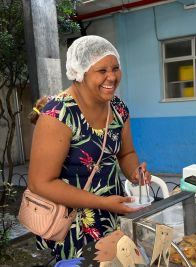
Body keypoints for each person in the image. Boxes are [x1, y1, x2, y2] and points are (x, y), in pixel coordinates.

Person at [28, 35, 151, 261]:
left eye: (115, 68)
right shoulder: (59, 115)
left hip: (112, 213)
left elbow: (126, 153)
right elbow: (40, 183)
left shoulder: (118, 109)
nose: (112, 77)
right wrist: (102, 202)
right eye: (102, 71)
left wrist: (134, 172)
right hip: (72, 224)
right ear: (80, 72)